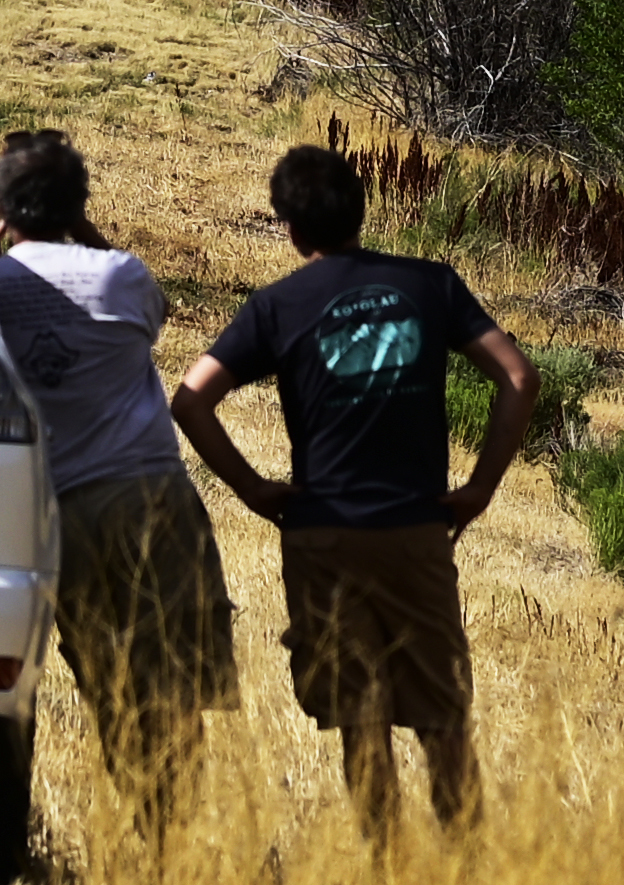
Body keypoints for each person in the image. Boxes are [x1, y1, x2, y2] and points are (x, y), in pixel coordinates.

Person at [171, 140, 534, 841]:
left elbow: (189, 399)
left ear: (288, 225)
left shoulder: (276, 306)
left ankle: (384, 859)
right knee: (440, 713)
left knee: (358, 717)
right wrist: (481, 485)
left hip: (322, 533)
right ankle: (464, 858)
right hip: (415, 527)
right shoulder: (431, 284)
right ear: (362, 210)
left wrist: (253, 489)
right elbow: (517, 376)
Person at [0, 127, 231, 832]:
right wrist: (76, 220)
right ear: (77, 205)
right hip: (146, 492)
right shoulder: (122, 276)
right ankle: (166, 830)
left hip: (51, 510)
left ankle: (129, 808)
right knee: (171, 682)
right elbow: (149, 307)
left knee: (103, 676)